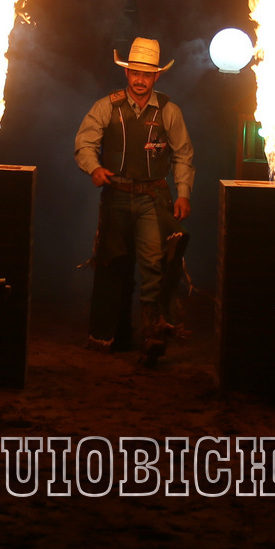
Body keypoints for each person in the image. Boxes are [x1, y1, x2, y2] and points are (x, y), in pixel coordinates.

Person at [75, 37, 195, 362]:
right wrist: (94, 167)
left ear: (157, 76)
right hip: (116, 196)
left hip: (153, 198)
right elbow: (85, 143)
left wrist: (183, 193)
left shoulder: (169, 111)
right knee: (113, 264)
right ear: (127, 73)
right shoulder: (107, 107)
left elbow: (183, 155)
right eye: (135, 73)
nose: (140, 80)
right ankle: (111, 335)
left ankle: (153, 333)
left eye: (147, 74)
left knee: (154, 265)